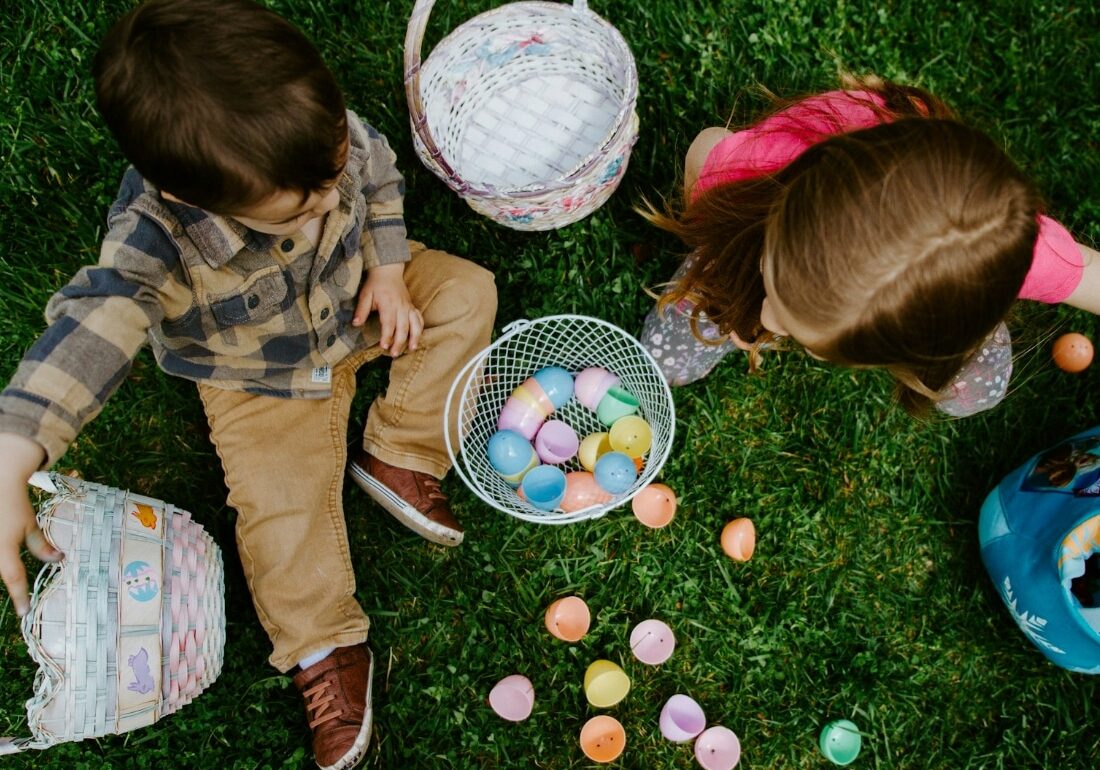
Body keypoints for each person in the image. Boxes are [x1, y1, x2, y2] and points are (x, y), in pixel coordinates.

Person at [0, 1, 497, 767]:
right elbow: (97, 321)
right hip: (256, 376)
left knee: (465, 293)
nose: (333, 198)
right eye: (305, 202)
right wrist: (15, 445)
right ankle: (320, 644)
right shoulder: (154, 240)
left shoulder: (315, 131)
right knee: (279, 509)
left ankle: (401, 451)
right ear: (198, 199)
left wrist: (391, 270)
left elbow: (380, 177)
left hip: (361, 298)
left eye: (334, 172)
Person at [640, 76, 1099, 416]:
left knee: (969, 394)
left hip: (951, 289)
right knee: (683, 335)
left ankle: (965, 325)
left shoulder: (1023, 255)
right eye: (772, 272)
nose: (766, 320)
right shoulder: (751, 173)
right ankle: (737, 267)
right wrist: (719, 248)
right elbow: (706, 146)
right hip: (765, 210)